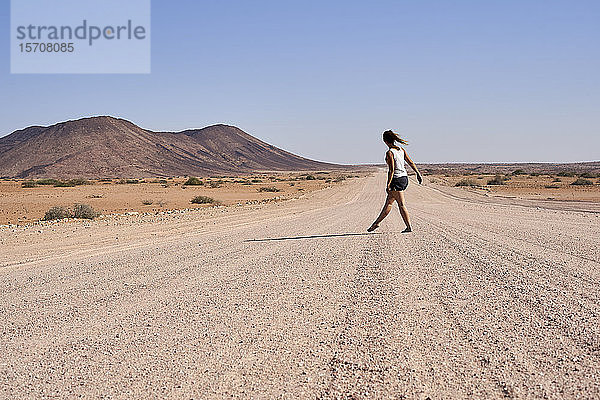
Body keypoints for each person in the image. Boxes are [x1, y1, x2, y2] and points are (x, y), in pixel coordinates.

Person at [367, 130, 422, 233]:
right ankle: (376, 223)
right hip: (404, 178)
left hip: (396, 180)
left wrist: (388, 184)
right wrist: (417, 173)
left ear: (384, 140)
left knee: (401, 204)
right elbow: (410, 162)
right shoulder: (401, 150)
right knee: (389, 202)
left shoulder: (390, 152)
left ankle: (409, 227)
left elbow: (391, 170)